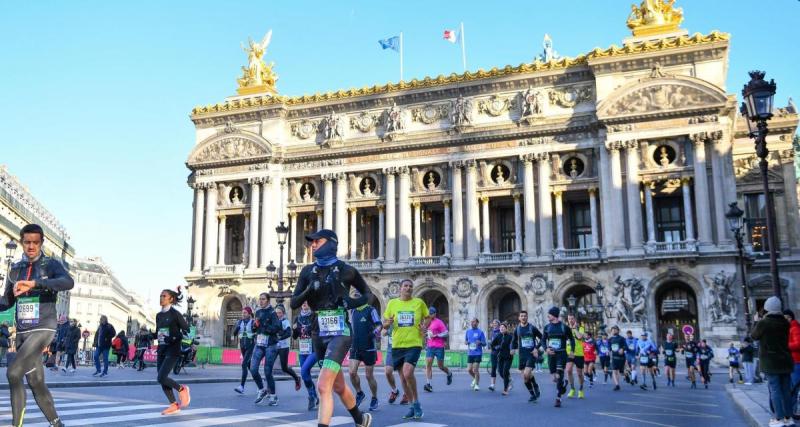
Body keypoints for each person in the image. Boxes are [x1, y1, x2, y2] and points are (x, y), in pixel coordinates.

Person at [290, 229, 374, 427]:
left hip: (340, 332)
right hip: (317, 332)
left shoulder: (347, 270)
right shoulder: (307, 271)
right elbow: (294, 303)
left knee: (322, 385)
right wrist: (308, 290)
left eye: (317, 241)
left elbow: (368, 295)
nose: (312, 245)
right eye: (312, 242)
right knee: (338, 386)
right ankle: (361, 419)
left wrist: (349, 303)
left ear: (330, 242)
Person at [0, 223, 75, 427]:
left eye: (35, 242)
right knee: (36, 383)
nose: (31, 246)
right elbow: (7, 301)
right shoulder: (15, 269)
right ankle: (57, 424)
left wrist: (36, 284)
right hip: (23, 331)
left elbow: (68, 282)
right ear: (22, 242)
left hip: (44, 327)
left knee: (14, 372)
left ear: (41, 242)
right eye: (27, 242)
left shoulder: (50, 264)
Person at [382, 279, 430, 420]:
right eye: (405, 286)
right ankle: (412, 405)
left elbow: (427, 317)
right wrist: (387, 323)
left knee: (408, 373)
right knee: (403, 378)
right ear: (400, 288)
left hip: (414, 343)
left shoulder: (419, 303)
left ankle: (416, 402)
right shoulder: (392, 303)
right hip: (397, 345)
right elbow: (384, 325)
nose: (408, 288)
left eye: (410, 286)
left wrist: (424, 327)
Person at [751, 297, 794, 427]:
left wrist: (755, 322)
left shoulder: (764, 323)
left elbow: (754, 336)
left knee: (775, 390)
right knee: (786, 390)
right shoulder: (786, 323)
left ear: (767, 308)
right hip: (785, 360)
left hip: (771, 361)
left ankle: (778, 419)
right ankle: (789, 418)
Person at [153, 287, 191, 415]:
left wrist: (173, 337)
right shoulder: (158, 315)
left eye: (164, 296)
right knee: (161, 379)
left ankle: (182, 389)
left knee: (161, 376)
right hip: (162, 348)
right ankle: (174, 404)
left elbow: (186, 330)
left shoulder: (175, 314)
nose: (161, 298)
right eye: (160, 296)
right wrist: (149, 335)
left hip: (173, 349)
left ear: (171, 299)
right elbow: (158, 332)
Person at [348, 295, 382, 411]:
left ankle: (374, 398)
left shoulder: (371, 310)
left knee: (369, 375)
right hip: (355, 346)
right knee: (352, 373)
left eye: (357, 297)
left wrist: (375, 333)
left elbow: (379, 325)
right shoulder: (352, 311)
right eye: (354, 297)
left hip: (369, 347)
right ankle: (359, 393)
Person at [250, 292, 282, 406]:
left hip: (270, 344)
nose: (261, 301)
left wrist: (264, 327)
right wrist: (254, 326)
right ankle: (262, 389)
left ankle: (273, 396)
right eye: (260, 299)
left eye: (263, 299)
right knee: (253, 368)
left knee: (267, 371)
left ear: (268, 301)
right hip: (259, 344)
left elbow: (277, 327)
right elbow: (254, 328)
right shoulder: (258, 312)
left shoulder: (272, 312)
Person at [542, 306, 575, 408]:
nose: (548, 316)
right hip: (551, 354)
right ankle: (564, 384)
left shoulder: (564, 327)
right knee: (554, 377)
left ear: (554, 315)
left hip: (561, 354)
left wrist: (572, 351)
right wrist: (546, 349)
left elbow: (572, 339)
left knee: (559, 374)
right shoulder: (547, 327)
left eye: (549, 314)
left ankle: (558, 398)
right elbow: (543, 340)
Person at [293, 301, 320, 410]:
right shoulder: (297, 318)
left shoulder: (315, 316)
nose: (304, 304)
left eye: (307, 302)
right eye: (303, 302)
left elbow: (318, 332)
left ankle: (311, 397)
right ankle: (314, 396)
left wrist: (310, 330)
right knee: (305, 375)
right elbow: (295, 337)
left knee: (304, 371)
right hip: (303, 349)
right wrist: (294, 329)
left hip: (314, 349)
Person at [511, 310, 542, 402]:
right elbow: (513, 340)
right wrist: (512, 348)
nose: (523, 317)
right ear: (519, 318)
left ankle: (535, 385)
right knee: (525, 378)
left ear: (527, 317)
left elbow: (542, 337)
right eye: (521, 316)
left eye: (525, 316)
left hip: (531, 354)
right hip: (521, 355)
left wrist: (536, 348)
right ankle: (532, 394)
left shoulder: (532, 328)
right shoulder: (517, 329)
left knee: (526, 374)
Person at [423, 306, 453, 392]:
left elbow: (446, 333)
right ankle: (429, 384)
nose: (430, 315)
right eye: (429, 314)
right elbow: (425, 332)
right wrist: (424, 334)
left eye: (431, 314)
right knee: (428, 364)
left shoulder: (439, 322)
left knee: (441, 366)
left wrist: (436, 335)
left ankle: (449, 373)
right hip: (430, 346)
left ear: (435, 314)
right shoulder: (426, 322)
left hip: (439, 347)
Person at [274, 305, 302, 393]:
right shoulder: (274, 321)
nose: (278, 314)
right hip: (274, 346)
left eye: (279, 313)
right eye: (277, 313)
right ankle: (269, 388)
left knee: (284, 368)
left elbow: (289, 333)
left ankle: (297, 378)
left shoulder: (285, 321)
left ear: (283, 313)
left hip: (284, 347)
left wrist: (280, 337)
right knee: (269, 366)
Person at [233, 306, 256, 394]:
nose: (243, 314)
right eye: (242, 313)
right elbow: (234, 334)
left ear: (249, 314)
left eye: (245, 313)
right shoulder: (239, 322)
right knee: (250, 367)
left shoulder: (253, 322)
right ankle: (260, 384)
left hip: (251, 345)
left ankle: (241, 386)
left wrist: (255, 328)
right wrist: (237, 327)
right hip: (242, 346)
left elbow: (256, 331)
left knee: (244, 364)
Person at [382, 325, 407, 405]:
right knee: (388, 372)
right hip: (391, 350)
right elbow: (383, 333)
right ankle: (395, 391)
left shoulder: (403, 319)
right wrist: (387, 329)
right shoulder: (390, 320)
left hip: (402, 349)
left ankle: (406, 394)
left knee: (403, 376)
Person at [565, 313, 586, 398]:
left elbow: (580, 337)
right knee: (569, 370)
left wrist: (574, 329)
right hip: (569, 353)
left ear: (575, 320)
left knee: (579, 374)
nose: (570, 320)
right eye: (569, 319)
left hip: (579, 353)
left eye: (572, 319)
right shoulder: (566, 329)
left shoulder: (581, 328)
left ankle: (581, 389)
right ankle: (572, 389)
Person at [491, 322, 514, 395]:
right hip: (500, 357)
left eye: (503, 327)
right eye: (500, 328)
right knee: (500, 372)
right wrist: (496, 347)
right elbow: (492, 345)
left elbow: (514, 344)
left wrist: (512, 349)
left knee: (505, 371)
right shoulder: (498, 336)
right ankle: (509, 381)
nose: (502, 329)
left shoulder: (510, 336)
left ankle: (505, 389)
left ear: (506, 329)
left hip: (508, 357)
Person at [465, 317, 486, 391]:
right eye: (471, 322)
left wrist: (480, 342)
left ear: (477, 323)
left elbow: (484, 343)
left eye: (474, 322)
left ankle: (477, 385)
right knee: (469, 369)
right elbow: (466, 341)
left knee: (475, 370)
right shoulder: (468, 331)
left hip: (478, 353)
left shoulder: (480, 332)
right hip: (470, 353)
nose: (472, 323)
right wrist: (466, 342)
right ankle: (475, 378)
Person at [785, 309, 800, 413]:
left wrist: (785, 346)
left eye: (786, 318)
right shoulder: (790, 328)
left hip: (796, 361)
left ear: (790, 318)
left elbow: (798, 344)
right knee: (793, 387)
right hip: (792, 361)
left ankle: (794, 410)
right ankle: (793, 410)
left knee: (795, 387)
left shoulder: (795, 328)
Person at [608, 326, 627, 391]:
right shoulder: (610, 339)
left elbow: (626, 346)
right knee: (615, 371)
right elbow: (609, 348)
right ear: (611, 331)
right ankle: (617, 385)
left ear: (618, 331)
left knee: (621, 371)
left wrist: (622, 349)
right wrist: (608, 351)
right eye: (613, 330)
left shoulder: (622, 338)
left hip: (621, 358)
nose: (614, 331)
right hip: (614, 357)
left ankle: (626, 375)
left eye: (615, 330)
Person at [487, 319, 501, 392]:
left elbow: (502, 342)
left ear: (499, 324)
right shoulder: (492, 332)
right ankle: (492, 385)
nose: (494, 324)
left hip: (500, 353)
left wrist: (497, 347)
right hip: (493, 353)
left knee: (501, 370)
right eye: (493, 323)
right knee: (493, 368)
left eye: (496, 323)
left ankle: (509, 380)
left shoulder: (500, 332)